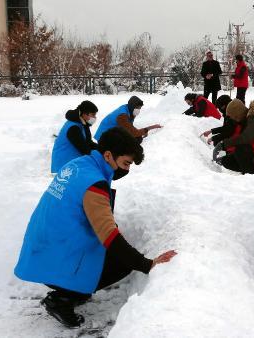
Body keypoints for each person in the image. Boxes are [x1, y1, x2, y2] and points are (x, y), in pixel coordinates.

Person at [14, 127, 177, 328]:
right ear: (108, 155)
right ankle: (63, 299)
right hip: (57, 255)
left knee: (108, 254)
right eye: (126, 163)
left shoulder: (79, 165)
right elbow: (109, 235)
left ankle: (73, 290)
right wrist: (147, 264)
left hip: (43, 247)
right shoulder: (94, 184)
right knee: (122, 262)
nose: (127, 170)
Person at [50, 100, 99, 174]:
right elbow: (84, 149)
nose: (94, 118)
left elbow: (88, 143)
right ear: (85, 114)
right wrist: (101, 156)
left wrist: (103, 148)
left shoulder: (83, 123)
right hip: (64, 166)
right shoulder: (73, 127)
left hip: (72, 162)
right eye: (93, 115)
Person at [94, 96, 162, 142]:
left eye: (139, 108)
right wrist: (148, 128)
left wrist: (142, 132)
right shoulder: (122, 115)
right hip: (103, 138)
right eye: (137, 108)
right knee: (136, 139)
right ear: (132, 106)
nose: (138, 110)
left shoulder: (128, 109)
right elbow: (132, 132)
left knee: (137, 138)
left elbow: (130, 127)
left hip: (111, 133)